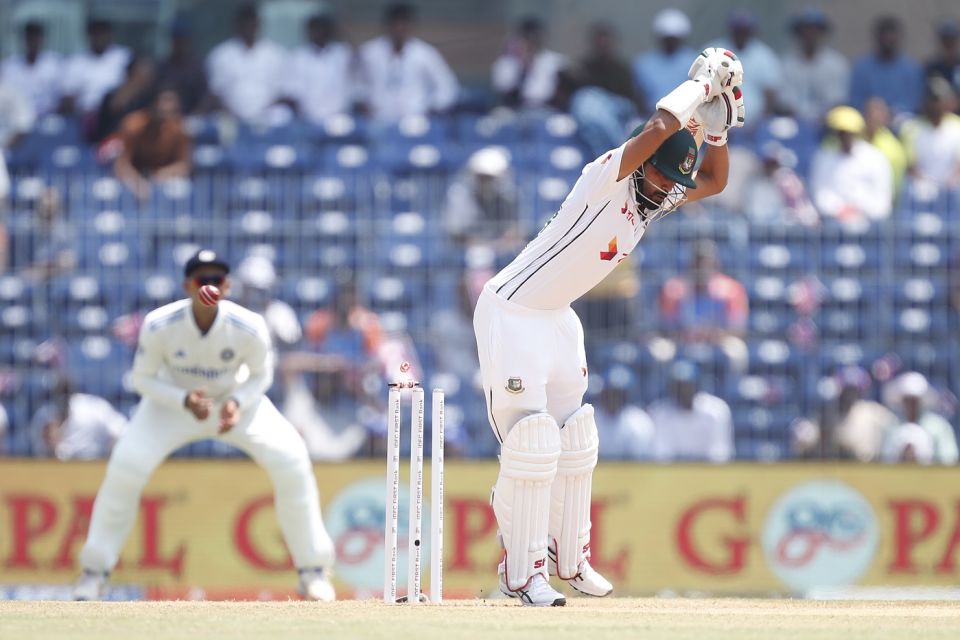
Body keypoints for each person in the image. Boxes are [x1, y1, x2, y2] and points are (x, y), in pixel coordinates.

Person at [473, 49, 743, 605]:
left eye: (672, 183)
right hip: (512, 310)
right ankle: (520, 575)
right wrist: (699, 85)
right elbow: (662, 125)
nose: (665, 190)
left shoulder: (651, 202)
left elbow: (712, 183)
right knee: (531, 445)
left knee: (576, 439)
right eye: (661, 177)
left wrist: (717, 130)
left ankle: (570, 561)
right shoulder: (605, 177)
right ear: (642, 165)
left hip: (558, 318)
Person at [72, 250, 336, 602]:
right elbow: (142, 379)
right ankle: (94, 573)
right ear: (187, 285)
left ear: (227, 286)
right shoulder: (159, 324)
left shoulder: (249, 325)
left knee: (291, 459)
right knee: (126, 465)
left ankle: (313, 571)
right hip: (172, 404)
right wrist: (183, 401)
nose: (208, 287)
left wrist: (237, 403)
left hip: (235, 402)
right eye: (201, 280)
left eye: (216, 280)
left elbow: (261, 375)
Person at [358, 3, 458, 123]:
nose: (400, 27)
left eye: (404, 23)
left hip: (414, 123)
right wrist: (362, 102)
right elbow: (356, 83)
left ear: (411, 25)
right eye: (395, 23)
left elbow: (447, 87)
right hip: (378, 121)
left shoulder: (425, 53)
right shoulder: (369, 52)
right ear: (387, 24)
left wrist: (431, 109)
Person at [206, 4, 288, 125]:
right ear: (238, 24)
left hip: (267, 120)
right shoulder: (221, 54)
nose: (249, 27)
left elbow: (282, 93)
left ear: (258, 23)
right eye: (245, 23)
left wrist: (261, 114)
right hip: (232, 119)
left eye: (252, 22)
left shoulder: (275, 54)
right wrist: (233, 113)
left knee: (282, 115)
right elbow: (216, 92)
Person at [809, 105, 893, 222]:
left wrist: (858, 210)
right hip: (833, 225)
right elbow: (820, 195)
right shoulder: (824, 158)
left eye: (849, 132)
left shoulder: (876, 158)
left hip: (869, 228)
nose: (845, 137)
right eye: (841, 133)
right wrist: (839, 209)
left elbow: (882, 204)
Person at [659, 239, 749, 342]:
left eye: (706, 263)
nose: (702, 268)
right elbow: (666, 327)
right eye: (698, 263)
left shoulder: (731, 290)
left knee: (735, 348)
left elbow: (738, 328)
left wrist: (716, 334)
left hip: (719, 341)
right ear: (691, 265)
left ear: (715, 264)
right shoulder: (673, 290)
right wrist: (687, 334)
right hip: (682, 341)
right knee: (661, 349)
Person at [114, 87, 192, 200]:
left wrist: (158, 177)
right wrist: (138, 183)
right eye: (163, 108)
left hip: (161, 179)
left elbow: (184, 165)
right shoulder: (133, 125)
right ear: (153, 106)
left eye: (172, 111)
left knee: (179, 188)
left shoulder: (178, 129)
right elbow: (122, 164)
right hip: (135, 176)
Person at [649, 361, 733, 462]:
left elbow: (719, 452)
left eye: (686, 386)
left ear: (696, 385)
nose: (682, 390)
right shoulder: (659, 411)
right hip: (672, 471)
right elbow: (661, 454)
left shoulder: (717, 410)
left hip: (709, 471)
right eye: (677, 386)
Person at [442, 146, 522, 253]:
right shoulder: (459, 195)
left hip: (500, 254)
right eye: (482, 177)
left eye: (489, 178)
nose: (486, 182)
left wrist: (498, 245)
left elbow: (515, 232)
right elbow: (455, 233)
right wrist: (483, 246)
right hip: (466, 254)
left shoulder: (509, 197)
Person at [30, 377, 127, 460]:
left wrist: (112, 451)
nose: (61, 398)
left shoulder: (92, 408)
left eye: (64, 393)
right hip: (59, 469)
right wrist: (51, 446)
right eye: (57, 394)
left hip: (94, 463)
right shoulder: (44, 415)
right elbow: (38, 452)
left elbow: (122, 430)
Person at [780, 8, 850, 123]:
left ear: (822, 33)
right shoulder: (786, 64)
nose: (810, 34)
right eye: (806, 30)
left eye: (814, 30)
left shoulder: (836, 64)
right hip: (795, 122)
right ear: (799, 33)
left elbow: (838, 101)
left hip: (827, 124)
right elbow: (785, 100)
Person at [709, 9, 782, 118]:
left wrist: (762, 120)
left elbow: (771, 93)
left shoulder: (764, 55)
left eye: (745, 30)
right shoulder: (714, 51)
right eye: (738, 29)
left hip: (755, 123)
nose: (741, 34)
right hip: (718, 120)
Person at [286, 13, 355, 124]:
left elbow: (354, 83)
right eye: (314, 29)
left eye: (321, 28)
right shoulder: (298, 57)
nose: (317, 32)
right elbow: (293, 93)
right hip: (307, 119)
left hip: (339, 119)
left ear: (329, 31)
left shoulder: (343, 54)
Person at [850, 16, 924, 117]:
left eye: (891, 35)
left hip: (902, 121)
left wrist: (892, 112)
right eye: (884, 35)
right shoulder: (862, 68)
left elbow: (915, 103)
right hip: (870, 121)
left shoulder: (911, 68)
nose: (888, 40)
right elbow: (855, 102)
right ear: (877, 38)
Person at [882, 372, 959, 465]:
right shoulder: (892, 426)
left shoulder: (939, 426)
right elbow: (885, 460)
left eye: (914, 400)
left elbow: (949, 460)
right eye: (907, 400)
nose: (911, 405)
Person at [492, 17, 568, 109]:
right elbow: (504, 89)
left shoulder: (556, 61)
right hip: (513, 110)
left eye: (534, 36)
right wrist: (524, 67)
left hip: (547, 109)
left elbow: (549, 94)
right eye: (527, 36)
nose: (531, 40)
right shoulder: (507, 63)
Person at [60, 19, 131, 116]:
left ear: (110, 35)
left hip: (115, 114)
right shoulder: (77, 61)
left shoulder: (123, 56)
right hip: (84, 115)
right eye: (95, 33)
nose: (99, 37)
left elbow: (140, 75)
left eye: (102, 33)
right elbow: (68, 94)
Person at [900, 77, 960, 189]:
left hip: (952, 190)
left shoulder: (957, 125)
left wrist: (949, 182)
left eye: (939, 99)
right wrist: (926, 183)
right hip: (922, 190)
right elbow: (910, 165)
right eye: (932, 99)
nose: (936, 104)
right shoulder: (911, 128)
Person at [632, 9, 695, 114]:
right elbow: (639, 96)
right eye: (667, 38)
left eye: (673, 38)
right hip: (651, 117)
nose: (670, 42)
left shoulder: (694, 60)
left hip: (688, 118)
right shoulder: (643, 63)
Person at [1, 22, 63, 117]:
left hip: (48, 119)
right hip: (17, 119)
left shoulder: (55, 64)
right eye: (29, 37)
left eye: (36, 37)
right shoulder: (10, 66)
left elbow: (62, 98)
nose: (33, 41)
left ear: (42, 39)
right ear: (24, 39)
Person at [593, 366, 654, 461]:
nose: (612, 398)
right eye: (609, 393)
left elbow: (640, 462)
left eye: (617, 394)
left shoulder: (639, 421)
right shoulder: (591, 417)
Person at [92, 55, 156, 144]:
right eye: (145, 71)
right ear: (132, 72)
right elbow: (103, 128)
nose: (149, 76)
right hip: (112, 144)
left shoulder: (150, 98)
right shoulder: (111, 96)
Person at [156, 18, 209, 116]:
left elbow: (204, 98)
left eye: (183, 40)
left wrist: (193, 118)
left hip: (193, 120)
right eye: (177, 40)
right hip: (167, 118)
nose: (180, 44)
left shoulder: (198, 68)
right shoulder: (164, 67)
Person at [579, 22, 636, 103]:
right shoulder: (585, 68)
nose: (603, 46)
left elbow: (629, 97)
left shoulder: (622, 70)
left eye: (606, 42)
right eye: (600, 42)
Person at [863, 97, 908, 192]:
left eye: (878, 116)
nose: (874, 118)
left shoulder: (895, 149)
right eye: (870, 114)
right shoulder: (853, 140)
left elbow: (895, 185)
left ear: (886, 118)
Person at [927, 20, 960, 94]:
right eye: (945, 41)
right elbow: (925, 98)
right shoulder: (932, 68)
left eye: (952, 41)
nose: (949, 45)